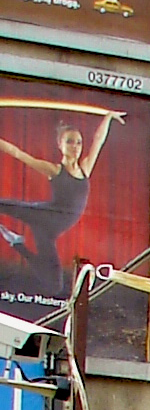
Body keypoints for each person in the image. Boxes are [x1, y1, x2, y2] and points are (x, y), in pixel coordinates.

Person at [0, 112, 119, 302]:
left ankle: (17, 243)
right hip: (45, 216)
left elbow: (98, 140)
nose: (75, 146)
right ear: (60, 145)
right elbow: (18, 154)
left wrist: (109, 117)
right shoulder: (55, 170)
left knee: (55, 285)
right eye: (70, 142)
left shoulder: (85, 168)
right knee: (5, 205)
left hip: (48, 231)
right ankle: (16, 241)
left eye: (79, 142)